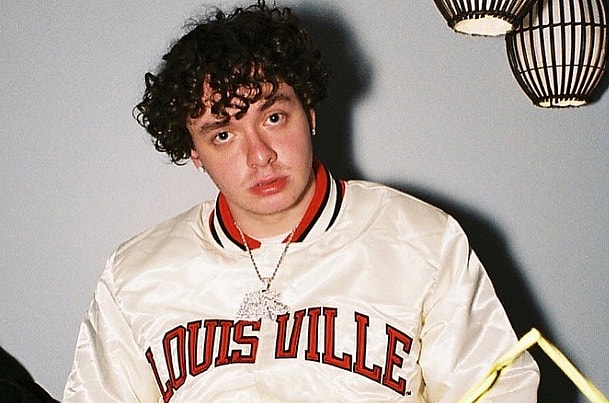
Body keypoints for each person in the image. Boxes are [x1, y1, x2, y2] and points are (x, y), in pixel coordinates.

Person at [63, 1, 539, 401]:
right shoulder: (137, 273)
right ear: (195, 153)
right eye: (223, 134)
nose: (260, 156)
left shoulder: (423, 240)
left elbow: (500, 393)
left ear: (308, 112)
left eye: (272, 117)